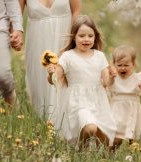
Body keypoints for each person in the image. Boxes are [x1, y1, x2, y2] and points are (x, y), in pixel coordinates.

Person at [17, 0, 81, 119]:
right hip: (37, 40)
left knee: (65, 79)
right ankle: (46, 125)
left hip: (64, 36)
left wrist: (72, 40)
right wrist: (16, 35)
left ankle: (68, 123)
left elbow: (77, 10)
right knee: (40, 84)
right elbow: (16, 15)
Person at [46, 15, 117, 147]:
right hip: (78, 103)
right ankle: (81, 150)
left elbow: (107, 83)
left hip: (98, 101)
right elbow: (54, 80)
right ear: (74, 36)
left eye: (90, 36)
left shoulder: (99, 56)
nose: (86, 39)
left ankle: (93, 151)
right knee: (90, 128)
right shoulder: (68, 56)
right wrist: (51, 74)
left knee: (108, 141)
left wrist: (113, 77)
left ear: (95, 37)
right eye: (82, 35)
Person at [108, 45, 141, 147]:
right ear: (114, 65)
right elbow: (108, 85)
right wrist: (111, 77)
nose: (123, 68)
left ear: (133, 64)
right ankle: (111, 152)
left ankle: (134, 151)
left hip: (133, 109)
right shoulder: (114, 78)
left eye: (126, 65)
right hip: (117, 109)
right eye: (119, 65)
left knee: (134, 134)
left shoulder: (137, 77)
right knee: (117, 135)